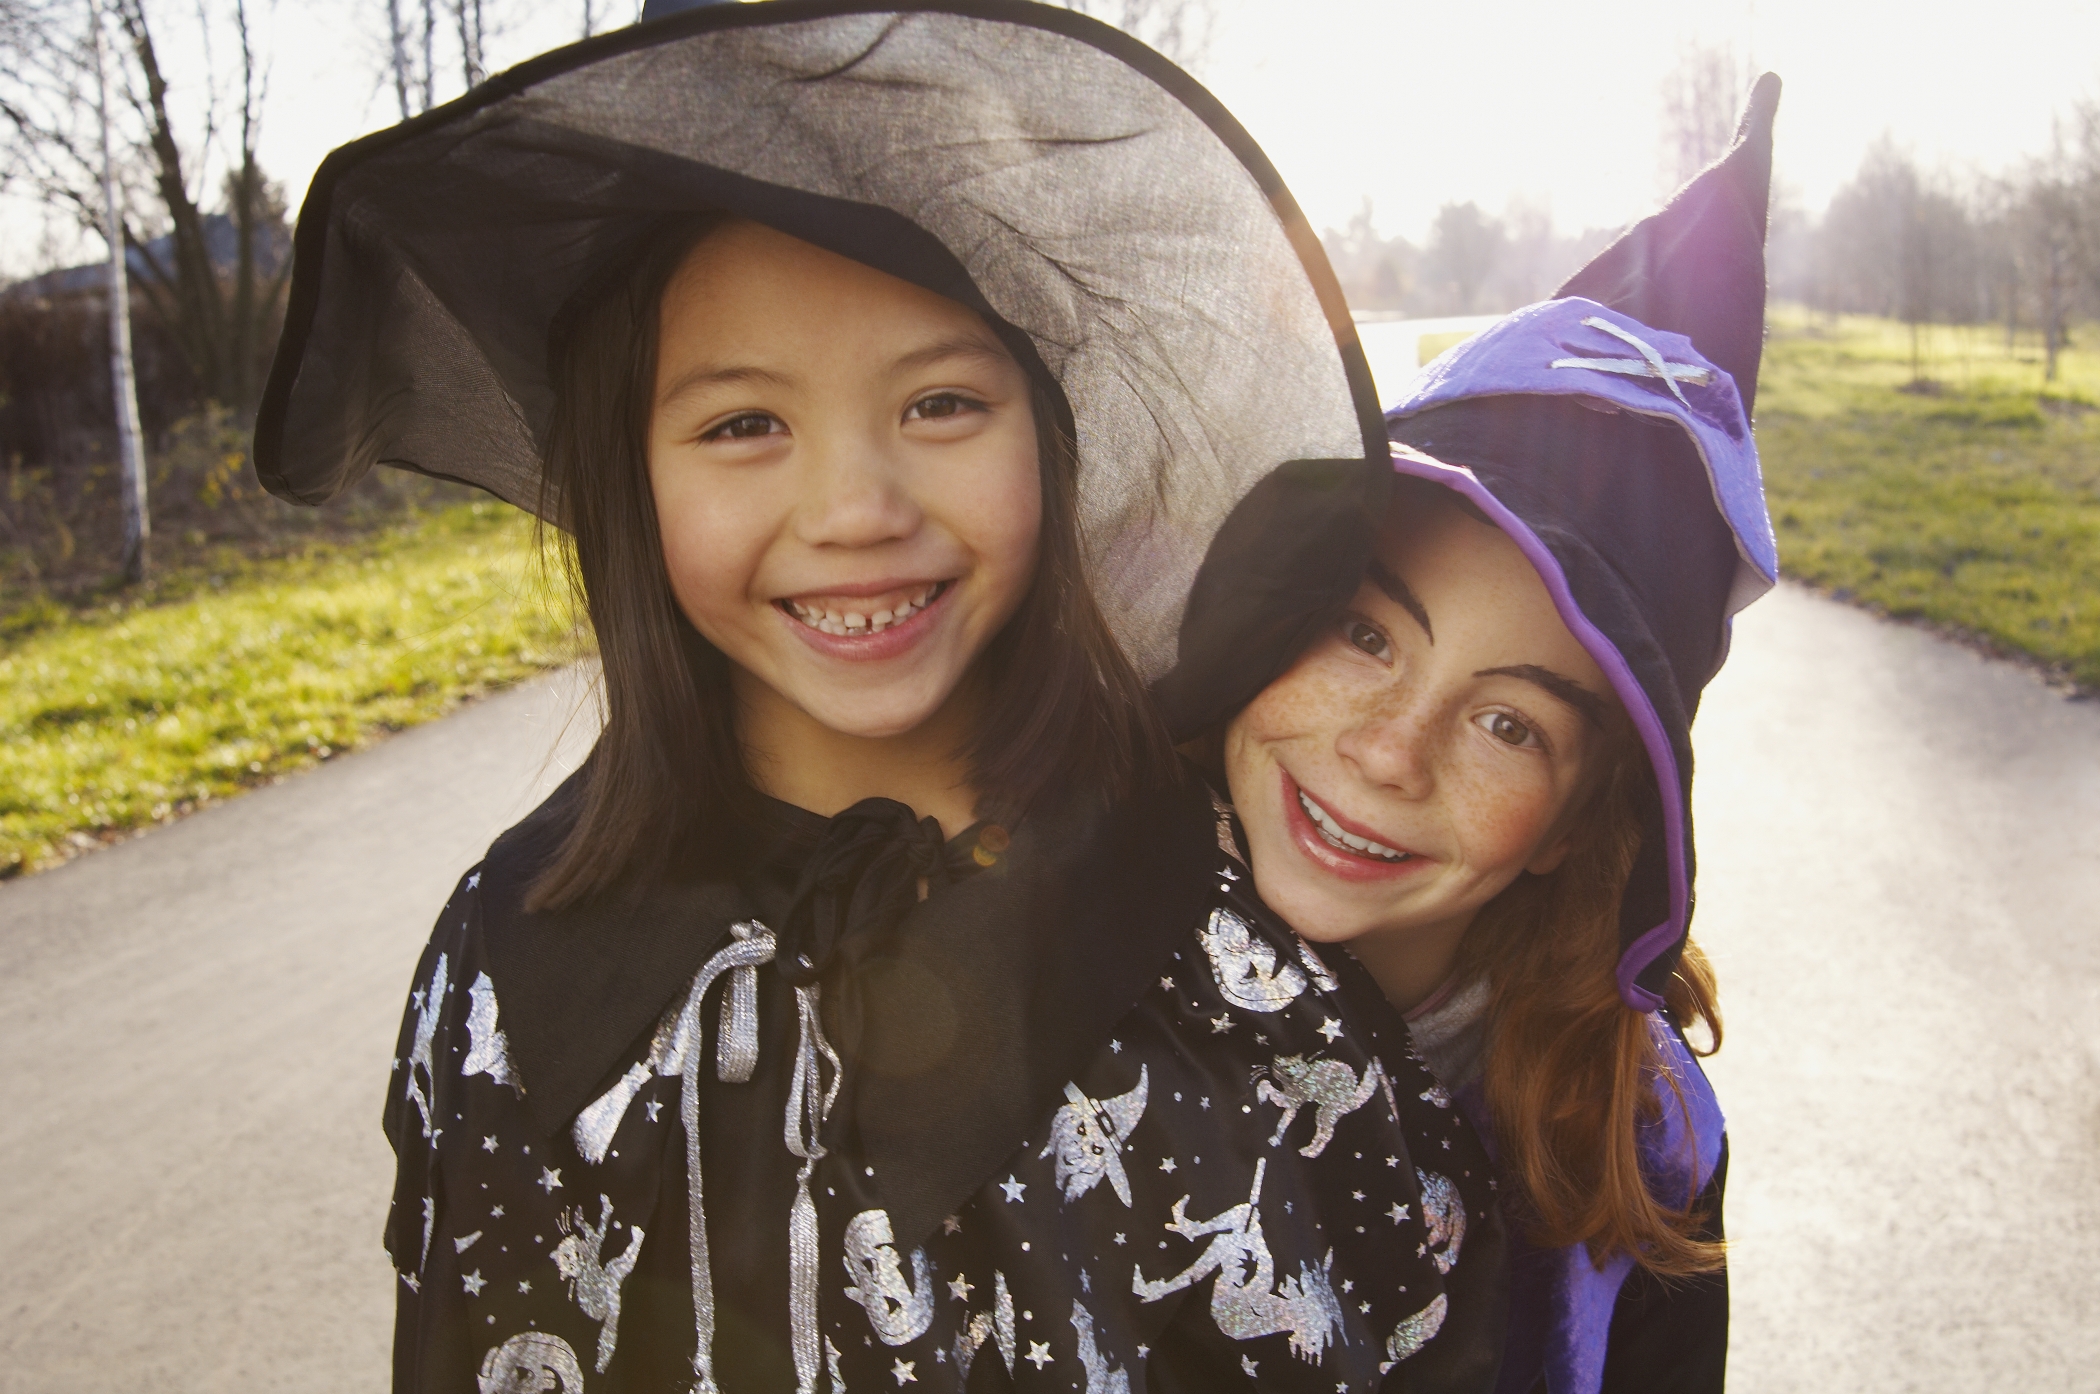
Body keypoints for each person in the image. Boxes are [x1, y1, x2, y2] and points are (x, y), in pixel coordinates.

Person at [252, 3, 1508, 1389]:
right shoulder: (520, 972)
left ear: (1051, 435)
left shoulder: (1207, 891)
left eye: (942, 405)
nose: (854, 509)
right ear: (631, 477)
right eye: (744, 425)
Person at [1187, 76, 1785, 1394]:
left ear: (1581, 820)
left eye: (1510, 722)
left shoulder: (1647, 1138)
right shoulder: (1045, 949)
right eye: (1365, 634)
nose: (1393, 752)